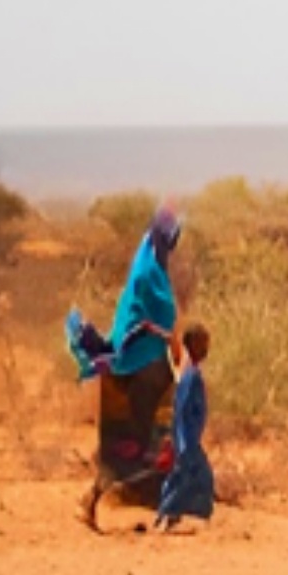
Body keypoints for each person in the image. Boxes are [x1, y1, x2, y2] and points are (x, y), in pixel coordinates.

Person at [67, 205, 184, 531]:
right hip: (142, 369)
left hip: (142, 368)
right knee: (150, 437)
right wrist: (172, 341)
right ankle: (159, 507)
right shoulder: (148, 275)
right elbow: (151, 321)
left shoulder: (148, 270)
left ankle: (162, 507)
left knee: (147, 439)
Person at [154, 322, 216, 533]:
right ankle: (167, 516)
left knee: (186, 478)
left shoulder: (191, 373)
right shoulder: (191, 376)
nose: (207, 348)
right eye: (202, 343)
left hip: (188, 438)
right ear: (193, 346)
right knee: (193, 477)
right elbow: (181, 411)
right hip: (186, 439)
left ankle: (169, 516)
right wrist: (182, 441)